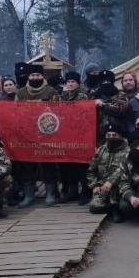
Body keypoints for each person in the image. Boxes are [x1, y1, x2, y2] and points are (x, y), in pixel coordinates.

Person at [15, 64, 61, 207]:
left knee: (48, 164)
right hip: (27, 134)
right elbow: (15, 112)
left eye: (38, 75)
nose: (35, 77)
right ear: (28, 76)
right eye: (32, 75)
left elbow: (59, 111)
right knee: (27, 165)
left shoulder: (51, 91)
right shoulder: (21, 93)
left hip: (47, 134)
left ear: (42, 76)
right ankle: (29, 195)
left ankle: (50, 194)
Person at [86, 124, 130, 223]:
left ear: (119, 136)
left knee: (125, 207)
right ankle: (109, 207)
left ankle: (115, 207)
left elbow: (124, 170)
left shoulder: (127, 151)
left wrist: (111, 182)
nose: (111, 137)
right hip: (102, 187)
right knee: (94, 207)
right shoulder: (100, 150)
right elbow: (91, 170)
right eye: (108, 135)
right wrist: (95, 185)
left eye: (114, 135)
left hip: (120, 187)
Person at [59, 71, 90, 204]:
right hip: (67, 135)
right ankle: (72, 191)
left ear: (78, 83)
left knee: (82, 164)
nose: (70, 84)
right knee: (69, 164)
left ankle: (85, 191)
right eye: (68, 82)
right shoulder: (63, 96)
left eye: (73, 82)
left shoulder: (82, 96)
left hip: (80, 135)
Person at [93, 70, 128, 141]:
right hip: (100, 135)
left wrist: (102, 105)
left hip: (117, 134)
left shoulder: (121, 95)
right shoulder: (95, 96)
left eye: (107, 81)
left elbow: (120, 110)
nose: (105, 83)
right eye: (103, 81)